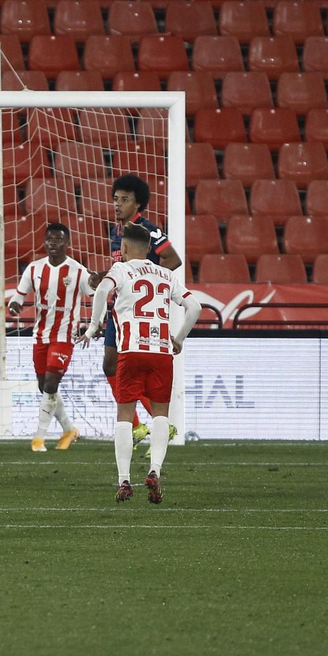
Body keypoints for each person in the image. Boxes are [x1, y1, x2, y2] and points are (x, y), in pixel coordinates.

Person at [78, 224, 197, 504]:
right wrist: (178, 338)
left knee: (124, 414)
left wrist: (94, 325)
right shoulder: (167, 274)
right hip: (161, 353)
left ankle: (124, 481)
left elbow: (101, 292)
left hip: (130, 350)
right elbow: (195, 308)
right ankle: (154, 471)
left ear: (126, 249)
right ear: (149, 249)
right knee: (160, 415)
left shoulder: (120, 269)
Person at [93, 174, 182, 451]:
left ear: (138, 203)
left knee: (132, 367)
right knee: (109, 364)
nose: (118, 205)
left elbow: (173, 259)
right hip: (119, 308)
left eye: (125, 200)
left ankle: (157, 423)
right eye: (116, 199)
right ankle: (138, 425)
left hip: (141, 314)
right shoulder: (116, 231)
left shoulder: (148, 230)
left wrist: (151, 281)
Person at [8, 222, 93, 452]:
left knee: (51, 382)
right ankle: (69, 429)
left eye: (58, 239)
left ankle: (39, 438)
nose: (53, 243)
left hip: (65, 335)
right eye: (49, 239)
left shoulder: (78, 270)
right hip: (40, 335)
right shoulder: (34, 269)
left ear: (67, 242)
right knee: (44, 386)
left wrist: (95, 324)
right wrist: (15, 304)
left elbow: (96, 295)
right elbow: (18, 296)